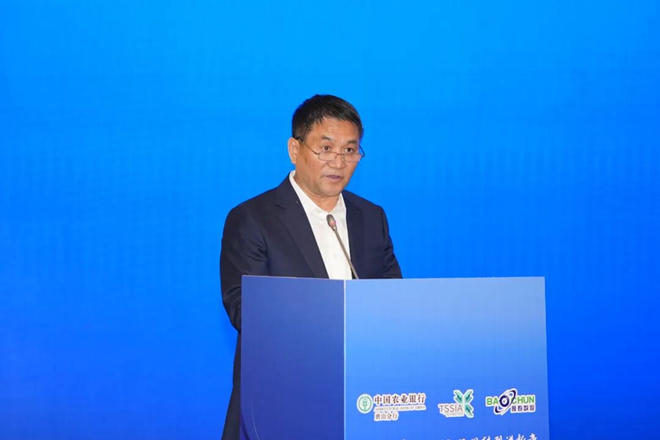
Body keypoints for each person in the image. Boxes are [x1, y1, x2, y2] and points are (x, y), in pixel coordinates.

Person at [219, 94, 402, 439]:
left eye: (350, 150)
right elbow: (246, 312)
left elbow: (394, 301)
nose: (338, 162)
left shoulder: (371, 217)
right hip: (281, 404)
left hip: (362, 401)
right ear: (294, 149)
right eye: (326, 148)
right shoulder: (252, 219)